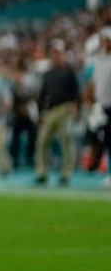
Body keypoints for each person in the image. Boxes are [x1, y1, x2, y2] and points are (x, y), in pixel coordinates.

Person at [35, 43, 81, 185]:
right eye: (54, 53)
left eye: (58, 53)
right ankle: (42, 172)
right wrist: (41, 112)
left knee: (66, 141)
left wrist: (76, 107)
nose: (56, 56)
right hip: (51, 110)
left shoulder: (68, 71)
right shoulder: (48, 74)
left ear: (62, 54)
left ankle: (66, 173)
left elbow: (76, 91)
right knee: (42, 141)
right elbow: (42, 95)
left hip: (66, 108)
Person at [87, 28, 111, 186]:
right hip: (103, 106)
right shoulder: (99, 60)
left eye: (107, 39)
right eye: (104, 39)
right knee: (108, 140)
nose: (105, 42)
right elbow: (94, 83)